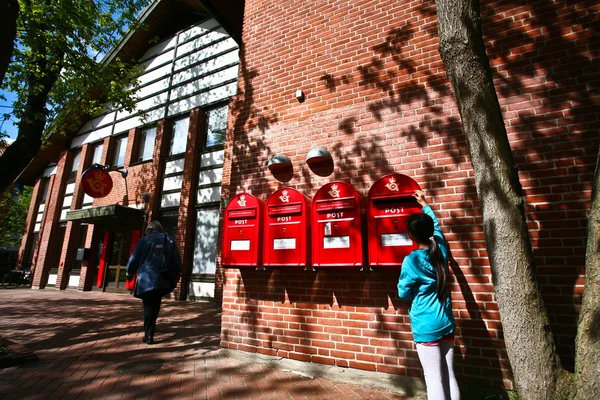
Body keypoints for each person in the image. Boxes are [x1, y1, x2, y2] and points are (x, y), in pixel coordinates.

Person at [397, 190, 460, 400]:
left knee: (433, 378)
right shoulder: (440, 248)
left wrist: (413, 288)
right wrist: (425, 204)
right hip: (446, 320)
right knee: (449, 374)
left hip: (426, 323)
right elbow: (437, 227)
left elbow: (403, 292)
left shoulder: (411, 260)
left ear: (411, 235)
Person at [126, 220, 181, 344]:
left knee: (148, 306)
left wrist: (129, 273)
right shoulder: (169, 240)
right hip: (163, 278)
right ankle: (150, 330)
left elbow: (134, 259)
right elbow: (176, 259)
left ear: (149, 230)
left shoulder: (143, 241)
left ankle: (148, 335)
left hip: (147, 279)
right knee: (155, 305)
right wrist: (178, 274)